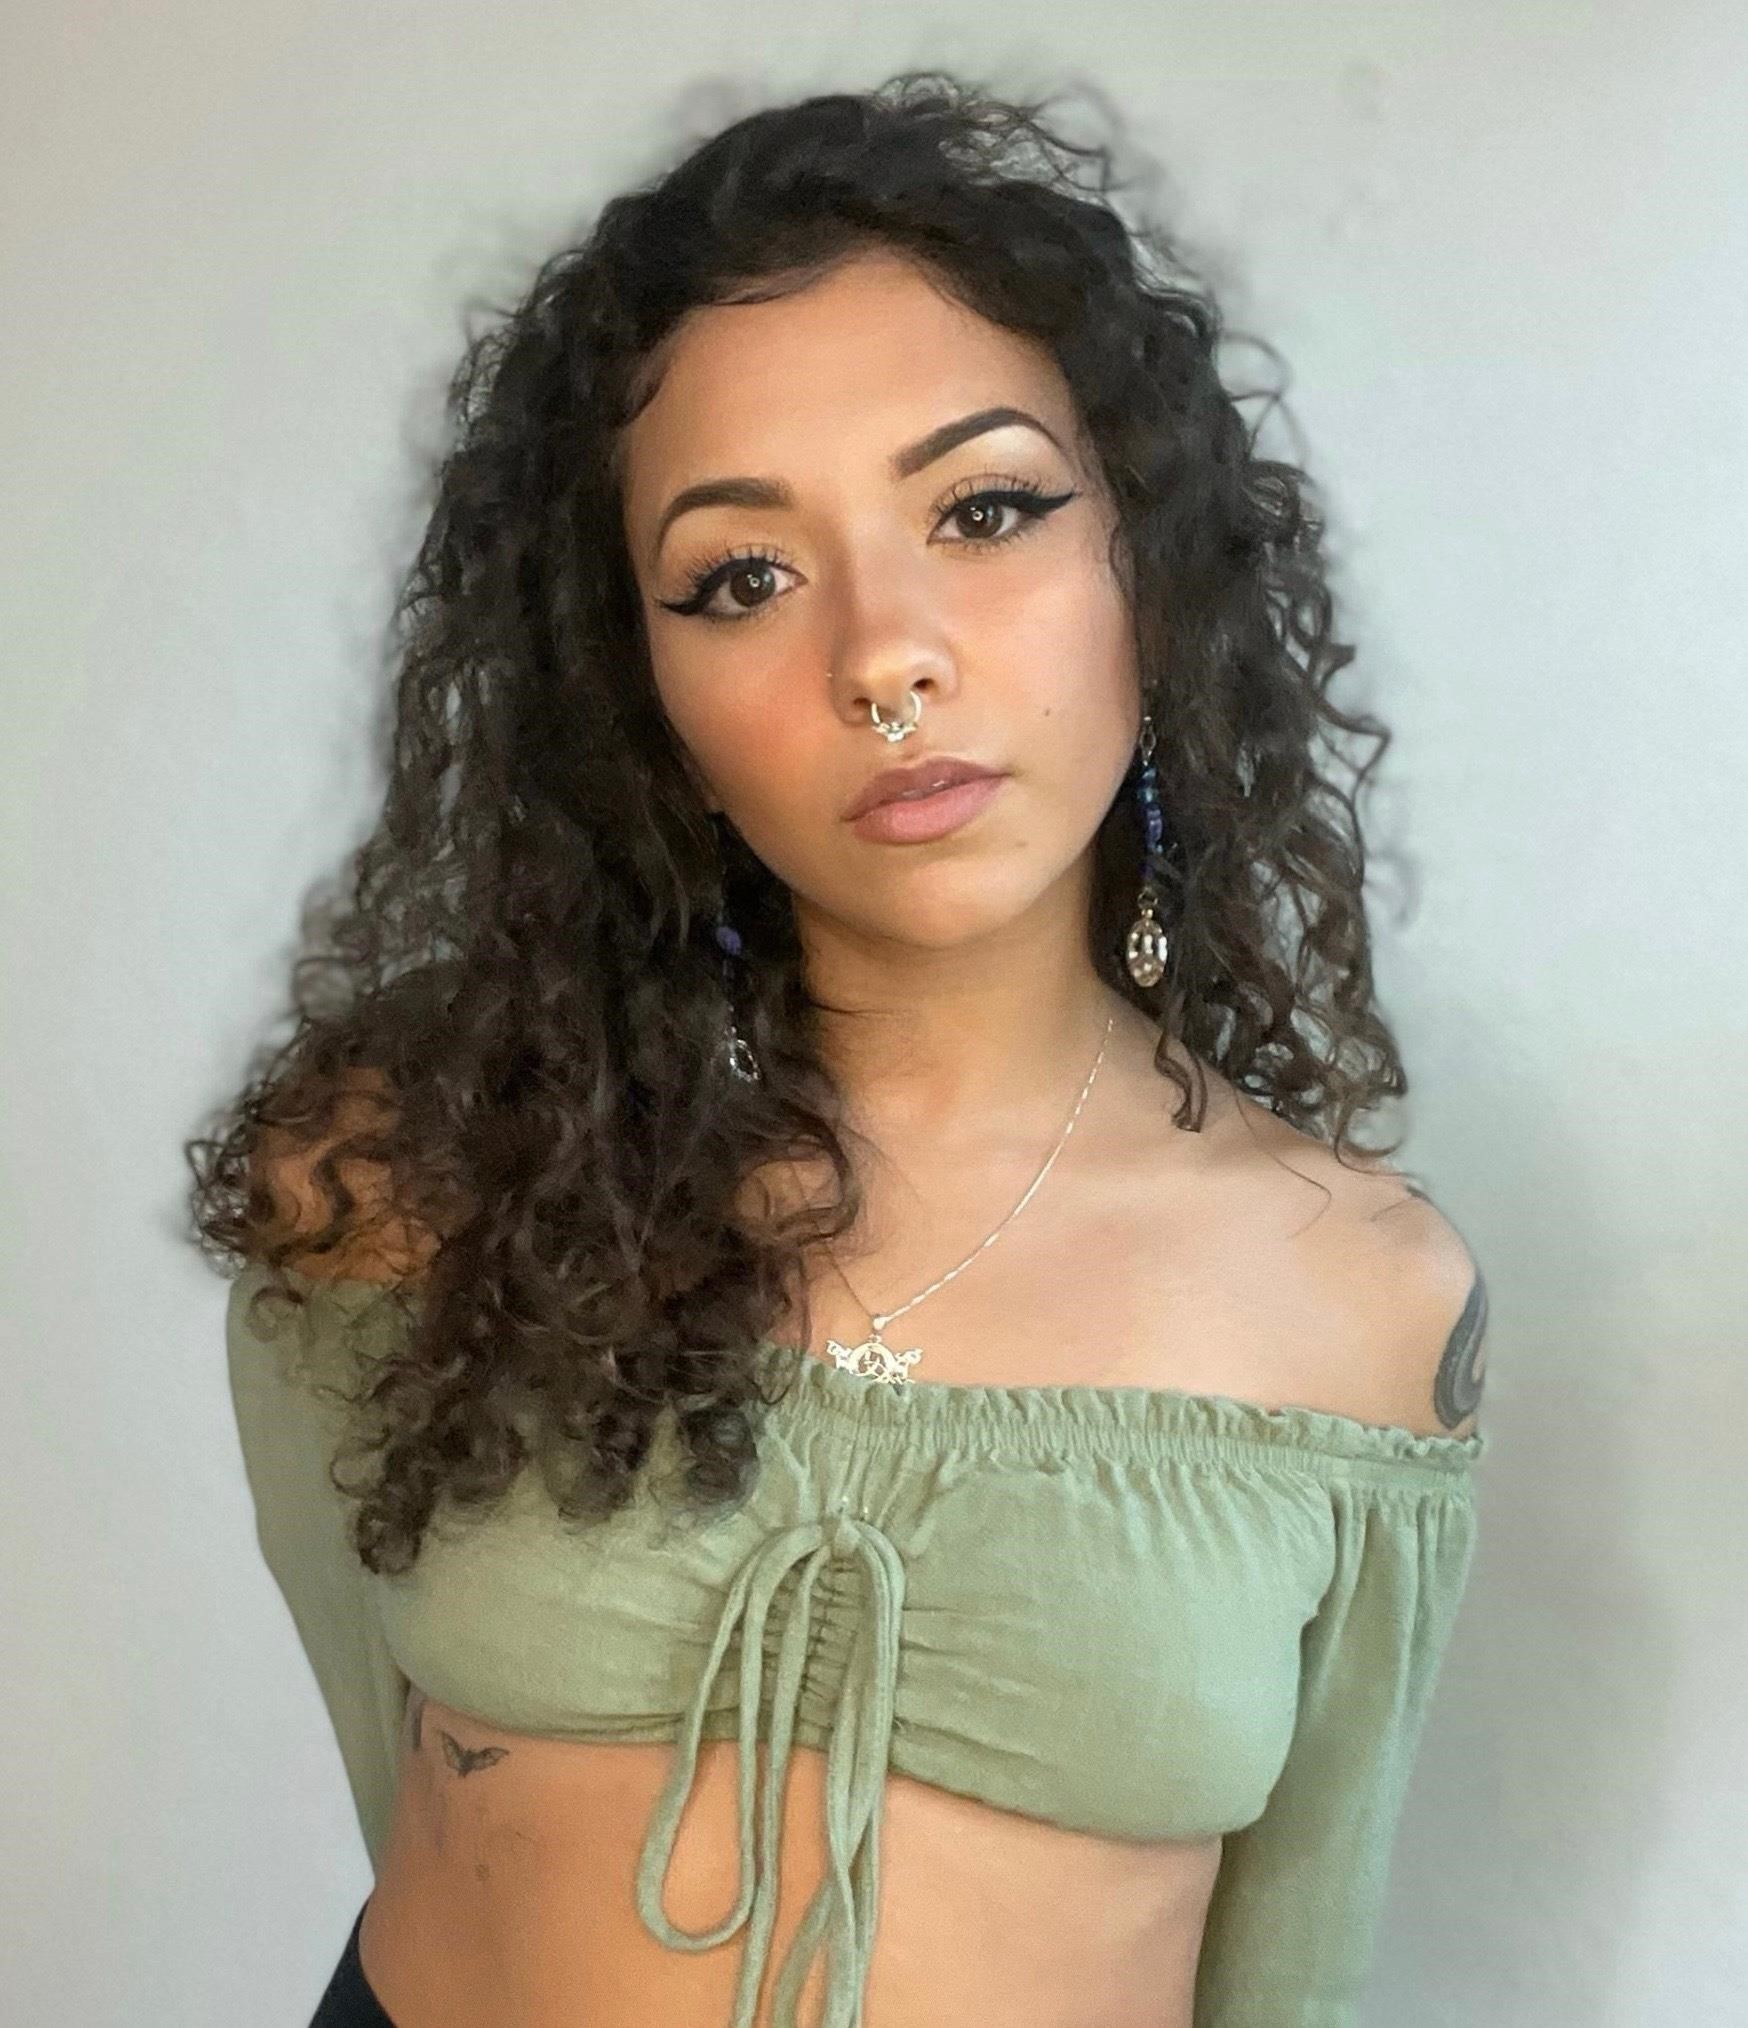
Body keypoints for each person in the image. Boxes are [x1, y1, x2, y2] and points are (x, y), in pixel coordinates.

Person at [194, 70, 1491, 2028]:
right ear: (636, 689)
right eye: (743, 577)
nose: (883, 655)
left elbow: (1290, 1970)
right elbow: (397, 1768)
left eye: (984, 510)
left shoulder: (1366, 1298)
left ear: (1150, 564)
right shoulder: (406, 1174)